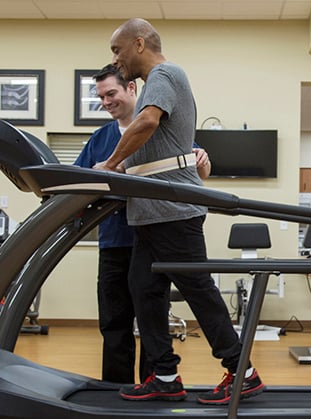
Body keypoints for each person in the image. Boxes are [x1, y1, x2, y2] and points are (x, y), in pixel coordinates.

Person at [94, 18, 264, 404]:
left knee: (199, 292)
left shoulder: (164, 74)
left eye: (118, 51)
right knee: (143, 290)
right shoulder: (159, 78)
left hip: (173, 210)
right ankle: (165, 374)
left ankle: (244, 371)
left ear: (139, 44)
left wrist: (111, 164)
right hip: (151, 215)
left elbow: (148, 121)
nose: (116, 60)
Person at [74, 64, 211, 384]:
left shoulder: (161, 129)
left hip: (151, 237)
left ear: (132, 89)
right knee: (114, 322)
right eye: (101, 97)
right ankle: (115, 390)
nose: (106, 101)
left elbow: (190, 175)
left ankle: (155, 384)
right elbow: (80, 182)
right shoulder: (99, 139)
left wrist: (202, 168)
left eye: (112, 93)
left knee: (152, 320)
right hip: (113, 242)